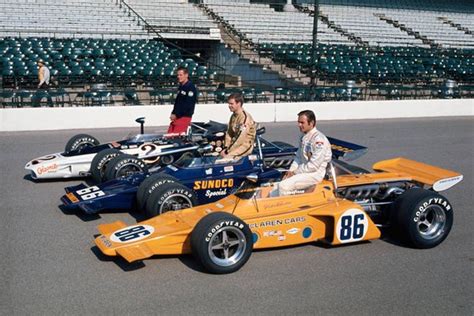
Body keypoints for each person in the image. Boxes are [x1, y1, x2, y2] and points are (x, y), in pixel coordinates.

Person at [276, 110, 332, 195]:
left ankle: (288, 207)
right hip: (304, 171)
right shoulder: (303, 136)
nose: (299, 125)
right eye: (298, 122)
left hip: (315, 174)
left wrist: (295, 172)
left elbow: (314, 166)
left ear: (311, 123)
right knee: (276, 186)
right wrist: (290, 171)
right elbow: (298, 157)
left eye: (302, 122)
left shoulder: (319, 140)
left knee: (284, 186)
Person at [220, 93, 256, 159]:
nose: (229, 106)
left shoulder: (244, 117)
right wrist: (226, 147)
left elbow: (241, 136)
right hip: (235, 144)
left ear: (238, 103)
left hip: (245, 145)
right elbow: (229, 133)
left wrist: (228, 151)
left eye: (231, 104)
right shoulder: (233, 116)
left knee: (227, 158)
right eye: (228, 103)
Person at [168, 66, 197, 134]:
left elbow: (188, 105)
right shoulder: (181, 86)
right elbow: (178, 102)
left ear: (186, 75)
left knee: (175, 137)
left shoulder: (190, 87)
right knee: (169, 135)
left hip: (184, 117)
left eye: (181, 75)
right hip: (178, 116)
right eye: (178, 75)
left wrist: (176, 114)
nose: (178, 77)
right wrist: (173, 112)